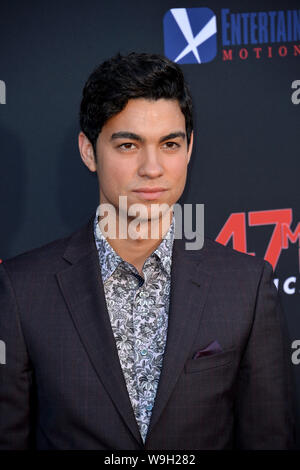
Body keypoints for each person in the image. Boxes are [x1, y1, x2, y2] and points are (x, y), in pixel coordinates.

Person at [0, 52, 295, 450]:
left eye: (170, 144)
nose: (152, 168)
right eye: (128, 145)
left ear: (189, 149)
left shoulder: (246, 286)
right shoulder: (22, 291)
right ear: (89, 151)